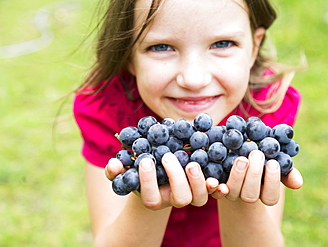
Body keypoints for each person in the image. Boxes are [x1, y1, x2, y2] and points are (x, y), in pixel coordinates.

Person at [73, 0, 304, 246]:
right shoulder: (110, 110)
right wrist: (148, 197)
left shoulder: (265, 110)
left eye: (222, 43)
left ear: (254, 48)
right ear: (128, 55)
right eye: (161, 47)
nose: (194, 80)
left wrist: (242, 197)